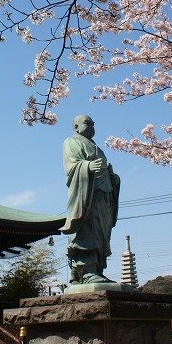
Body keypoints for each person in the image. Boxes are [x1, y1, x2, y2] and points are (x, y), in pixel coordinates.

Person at [62, 115, 120, 284]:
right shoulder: (71, 142)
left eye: (93, 123)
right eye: (87, 123)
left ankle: (97, 269)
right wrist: (87, 166)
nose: (92, 126)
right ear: (76, 127)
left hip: (103, 193)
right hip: (87, 195)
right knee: (88, 228)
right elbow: (72, 166)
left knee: (102, 230)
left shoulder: (96, 147)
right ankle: (86, 270)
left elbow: (104, 169)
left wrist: (113, 179)